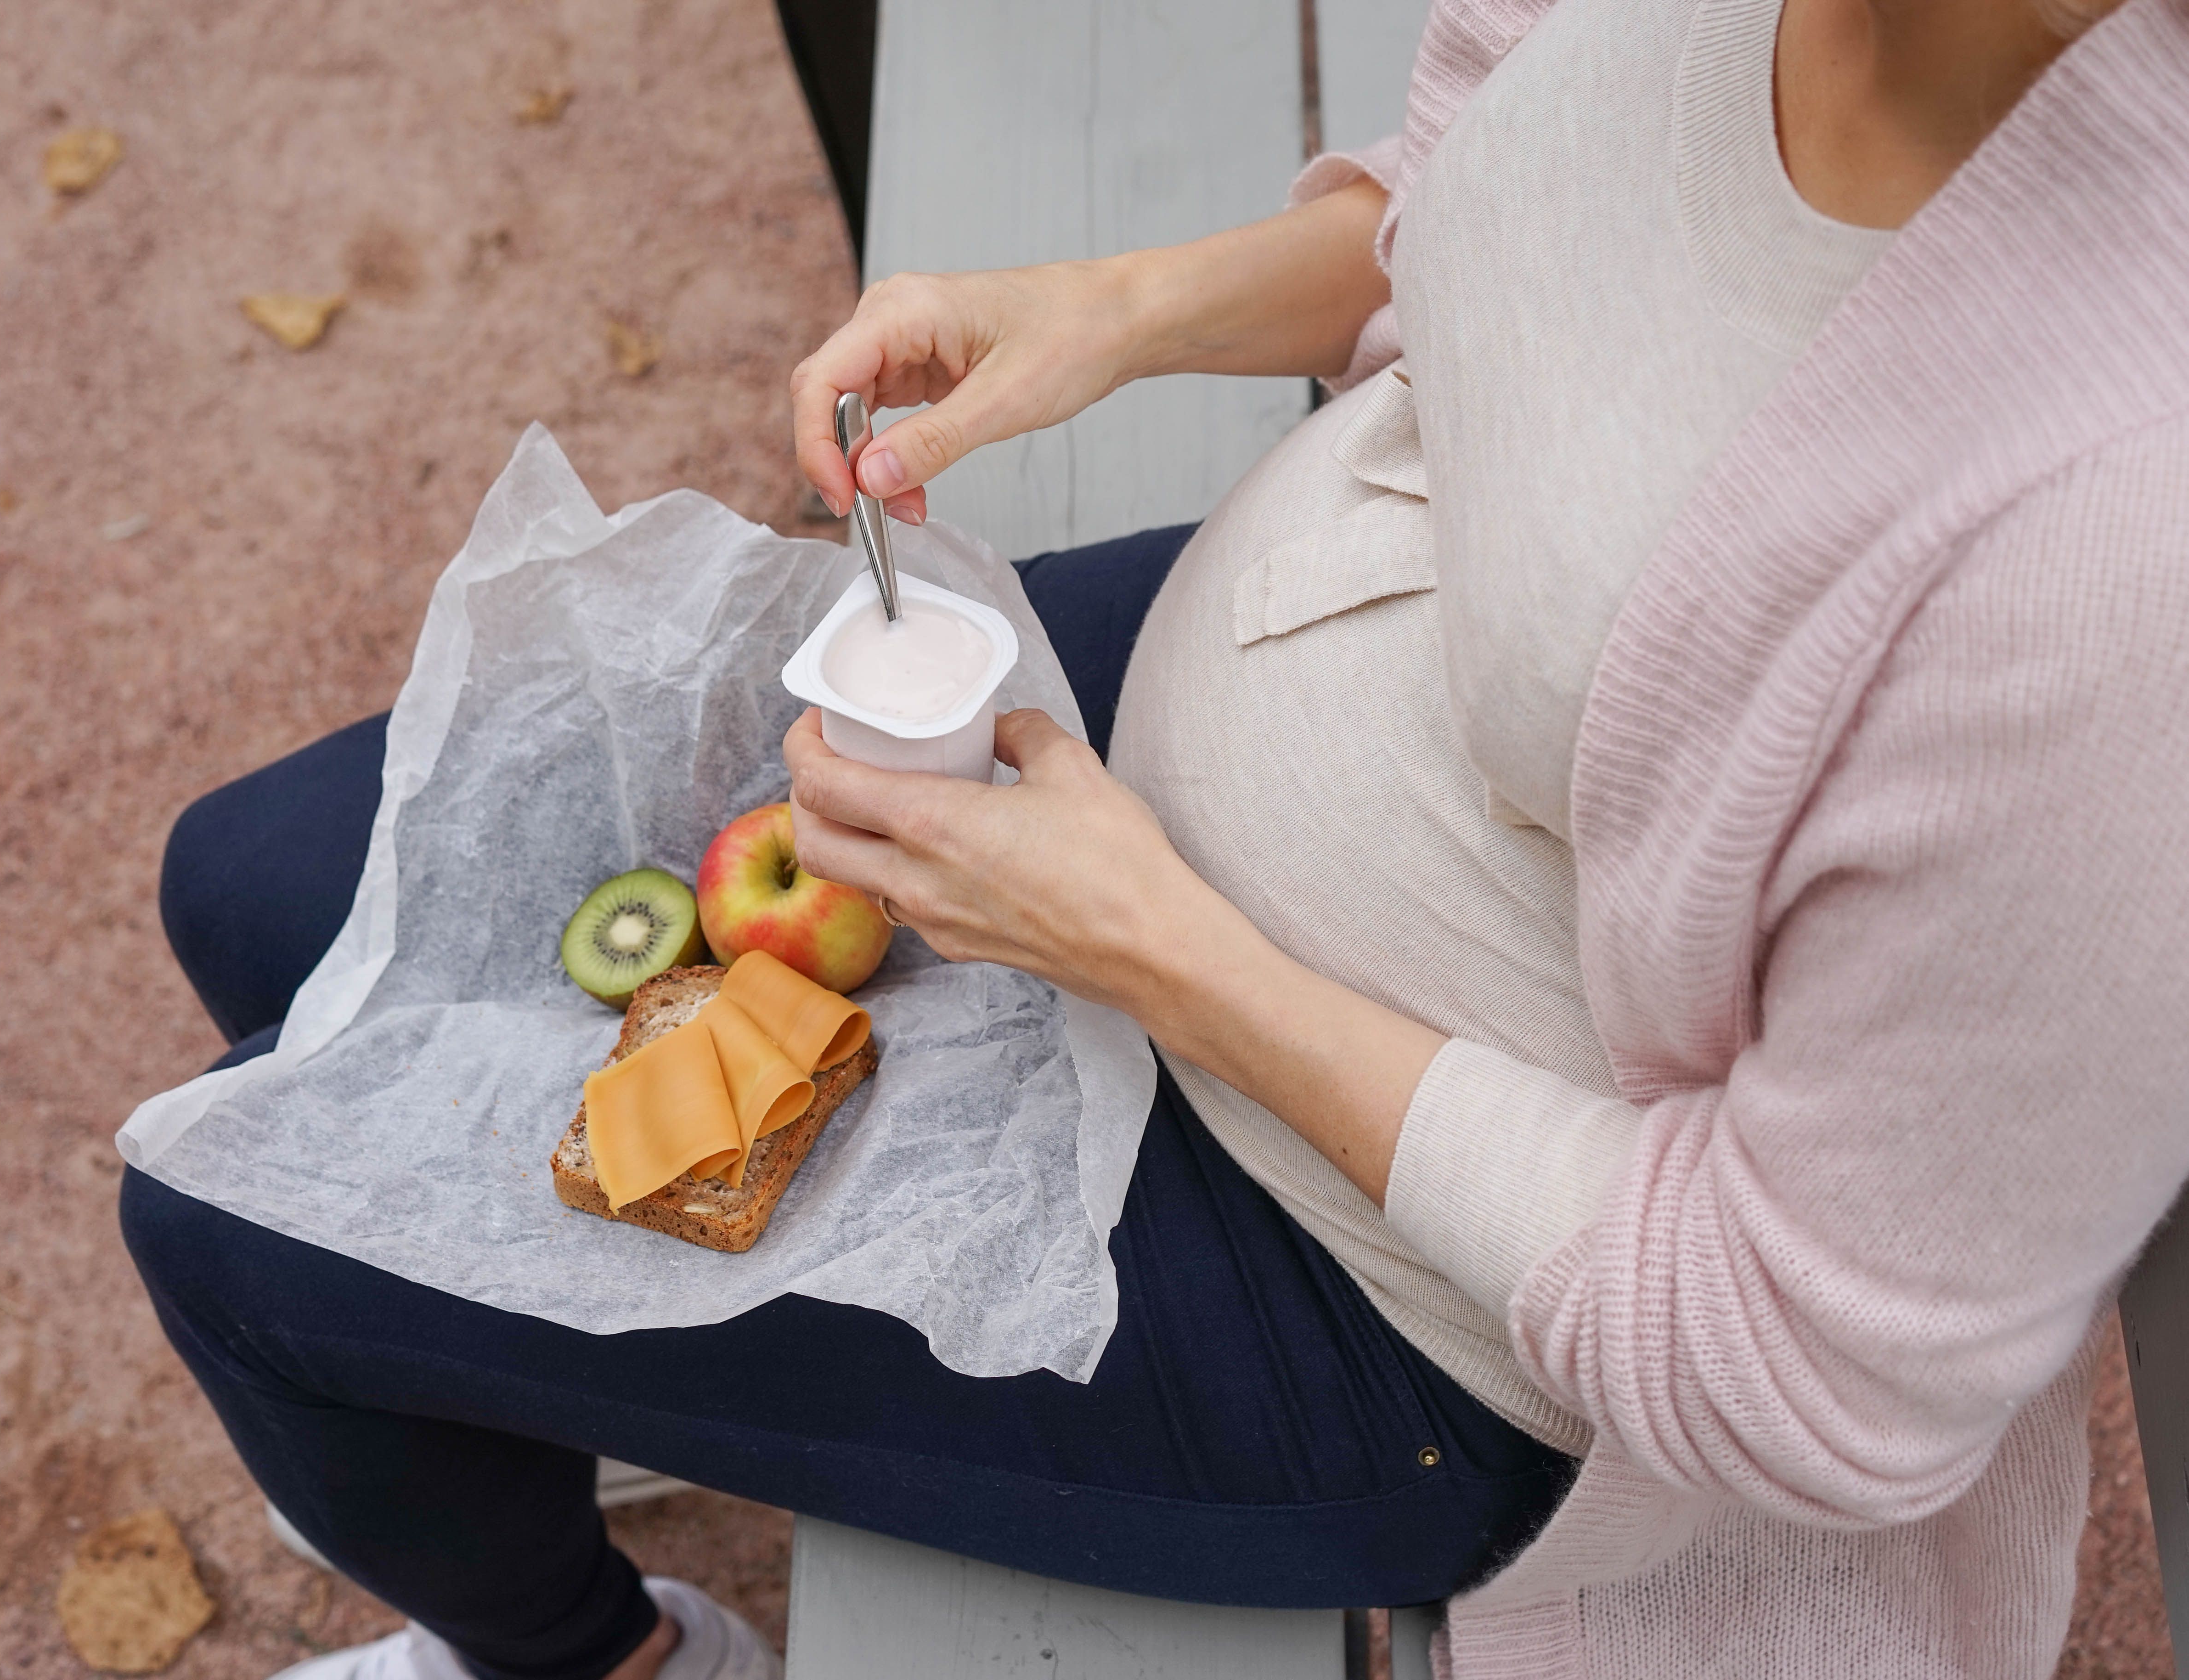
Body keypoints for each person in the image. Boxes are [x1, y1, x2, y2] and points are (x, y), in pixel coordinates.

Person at [123, 0, 2189, 1673]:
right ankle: (594, 1375)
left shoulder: (2119, 556)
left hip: (1397, 1294)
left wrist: (1156, 948)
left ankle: (601, 1659)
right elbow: (1488, 200)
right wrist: (1114, 307)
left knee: (234, 1246)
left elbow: (1816, 1368)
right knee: (249, 892)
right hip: (1207, 748)